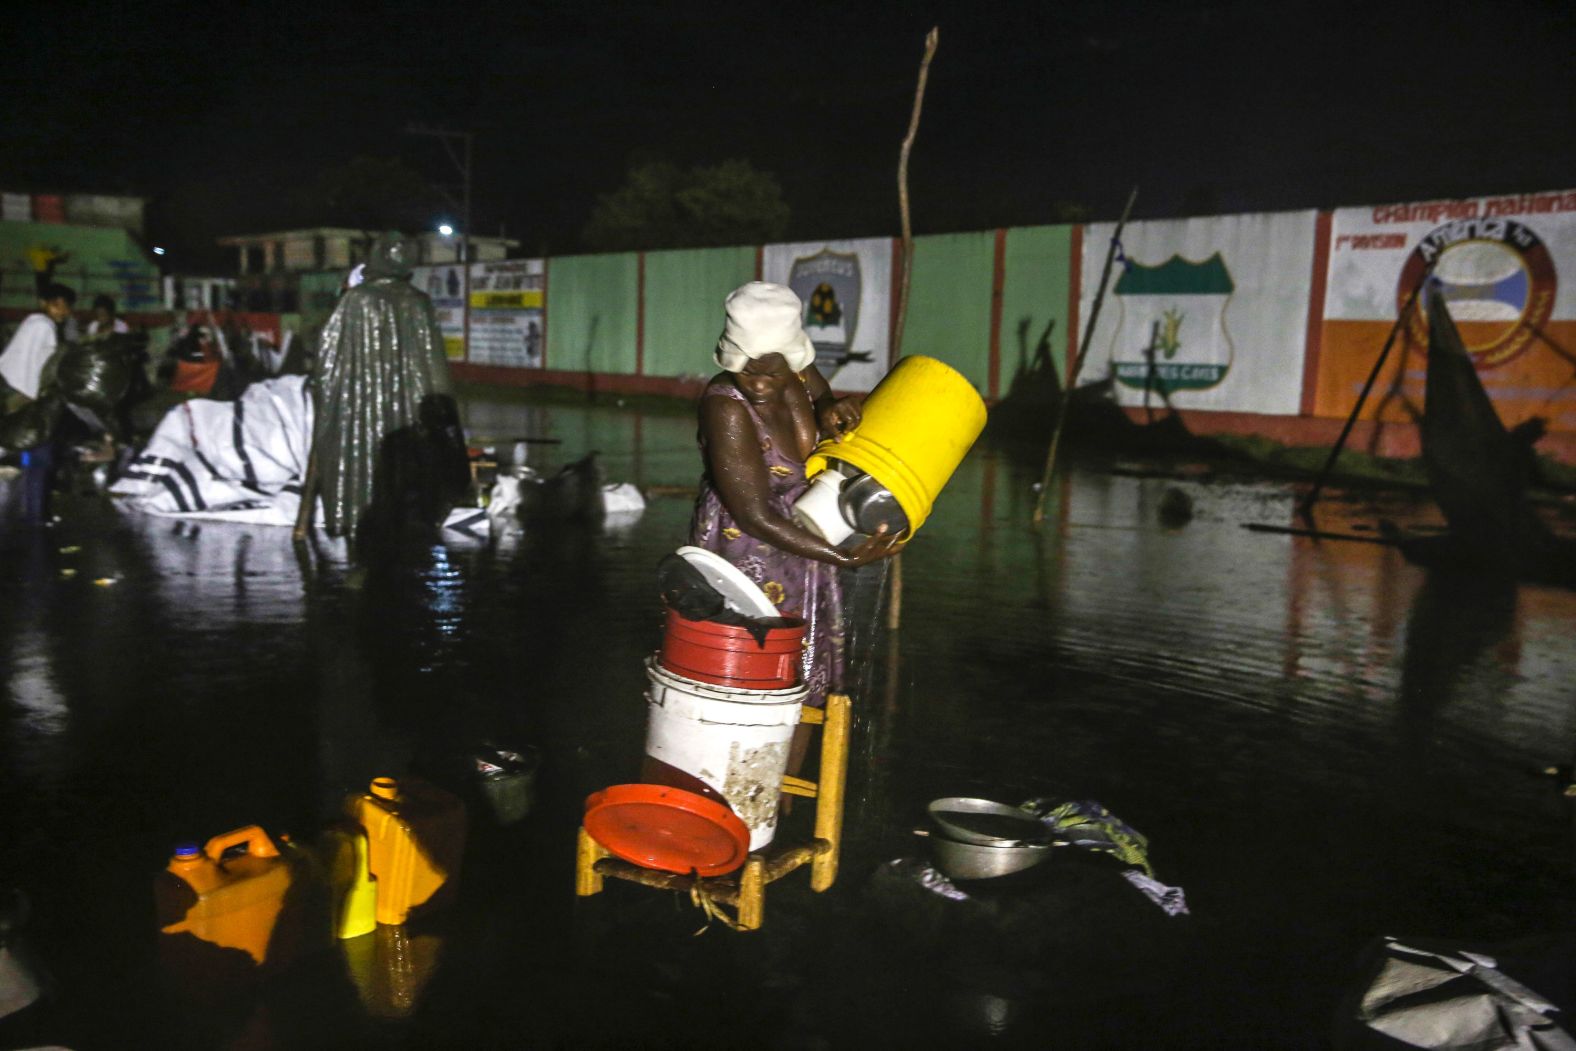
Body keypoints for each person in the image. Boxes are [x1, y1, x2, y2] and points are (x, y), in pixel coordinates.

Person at [690, 282, 901, 719]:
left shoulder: (802, 375)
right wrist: (841, 558)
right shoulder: (726, 407)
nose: (761, 383)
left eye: (773, 372)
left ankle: (788, 784)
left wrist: (830, 407)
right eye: (749, 371)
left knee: (804, 678)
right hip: (748, 548)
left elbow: (821, 396)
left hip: (805, 535)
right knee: (752, 676)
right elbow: (754, 515)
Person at [0, 284, 76, 522]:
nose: (63, 311)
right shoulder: (44, 325)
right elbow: (46, 368)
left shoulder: (32, 322)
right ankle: (35, 515)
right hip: (28, 399)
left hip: (15, 394)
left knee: (34, 456)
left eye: (66, 306)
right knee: (40, 458)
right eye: (58, 304)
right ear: (46, 303)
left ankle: (36, 512)